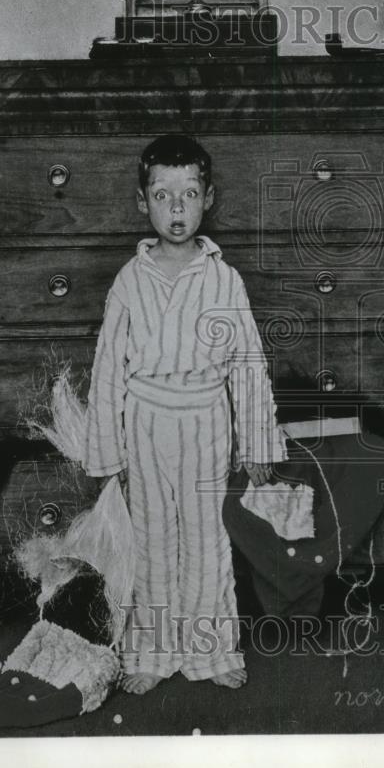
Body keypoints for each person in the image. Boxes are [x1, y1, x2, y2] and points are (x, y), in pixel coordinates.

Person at [84, 133, 285, 694]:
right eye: (162, 194)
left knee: (204, 540)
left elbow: (247, 362)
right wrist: (108, 451)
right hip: (146, 423)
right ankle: (150, 652)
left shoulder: (223, 280)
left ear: (209, 198)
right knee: (151, 539)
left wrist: (259, 444)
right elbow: (107, 370)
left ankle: (212, 652)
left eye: (189, 193)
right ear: (141, 202)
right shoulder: (130, 281)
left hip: (205, 422)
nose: (176, 208)